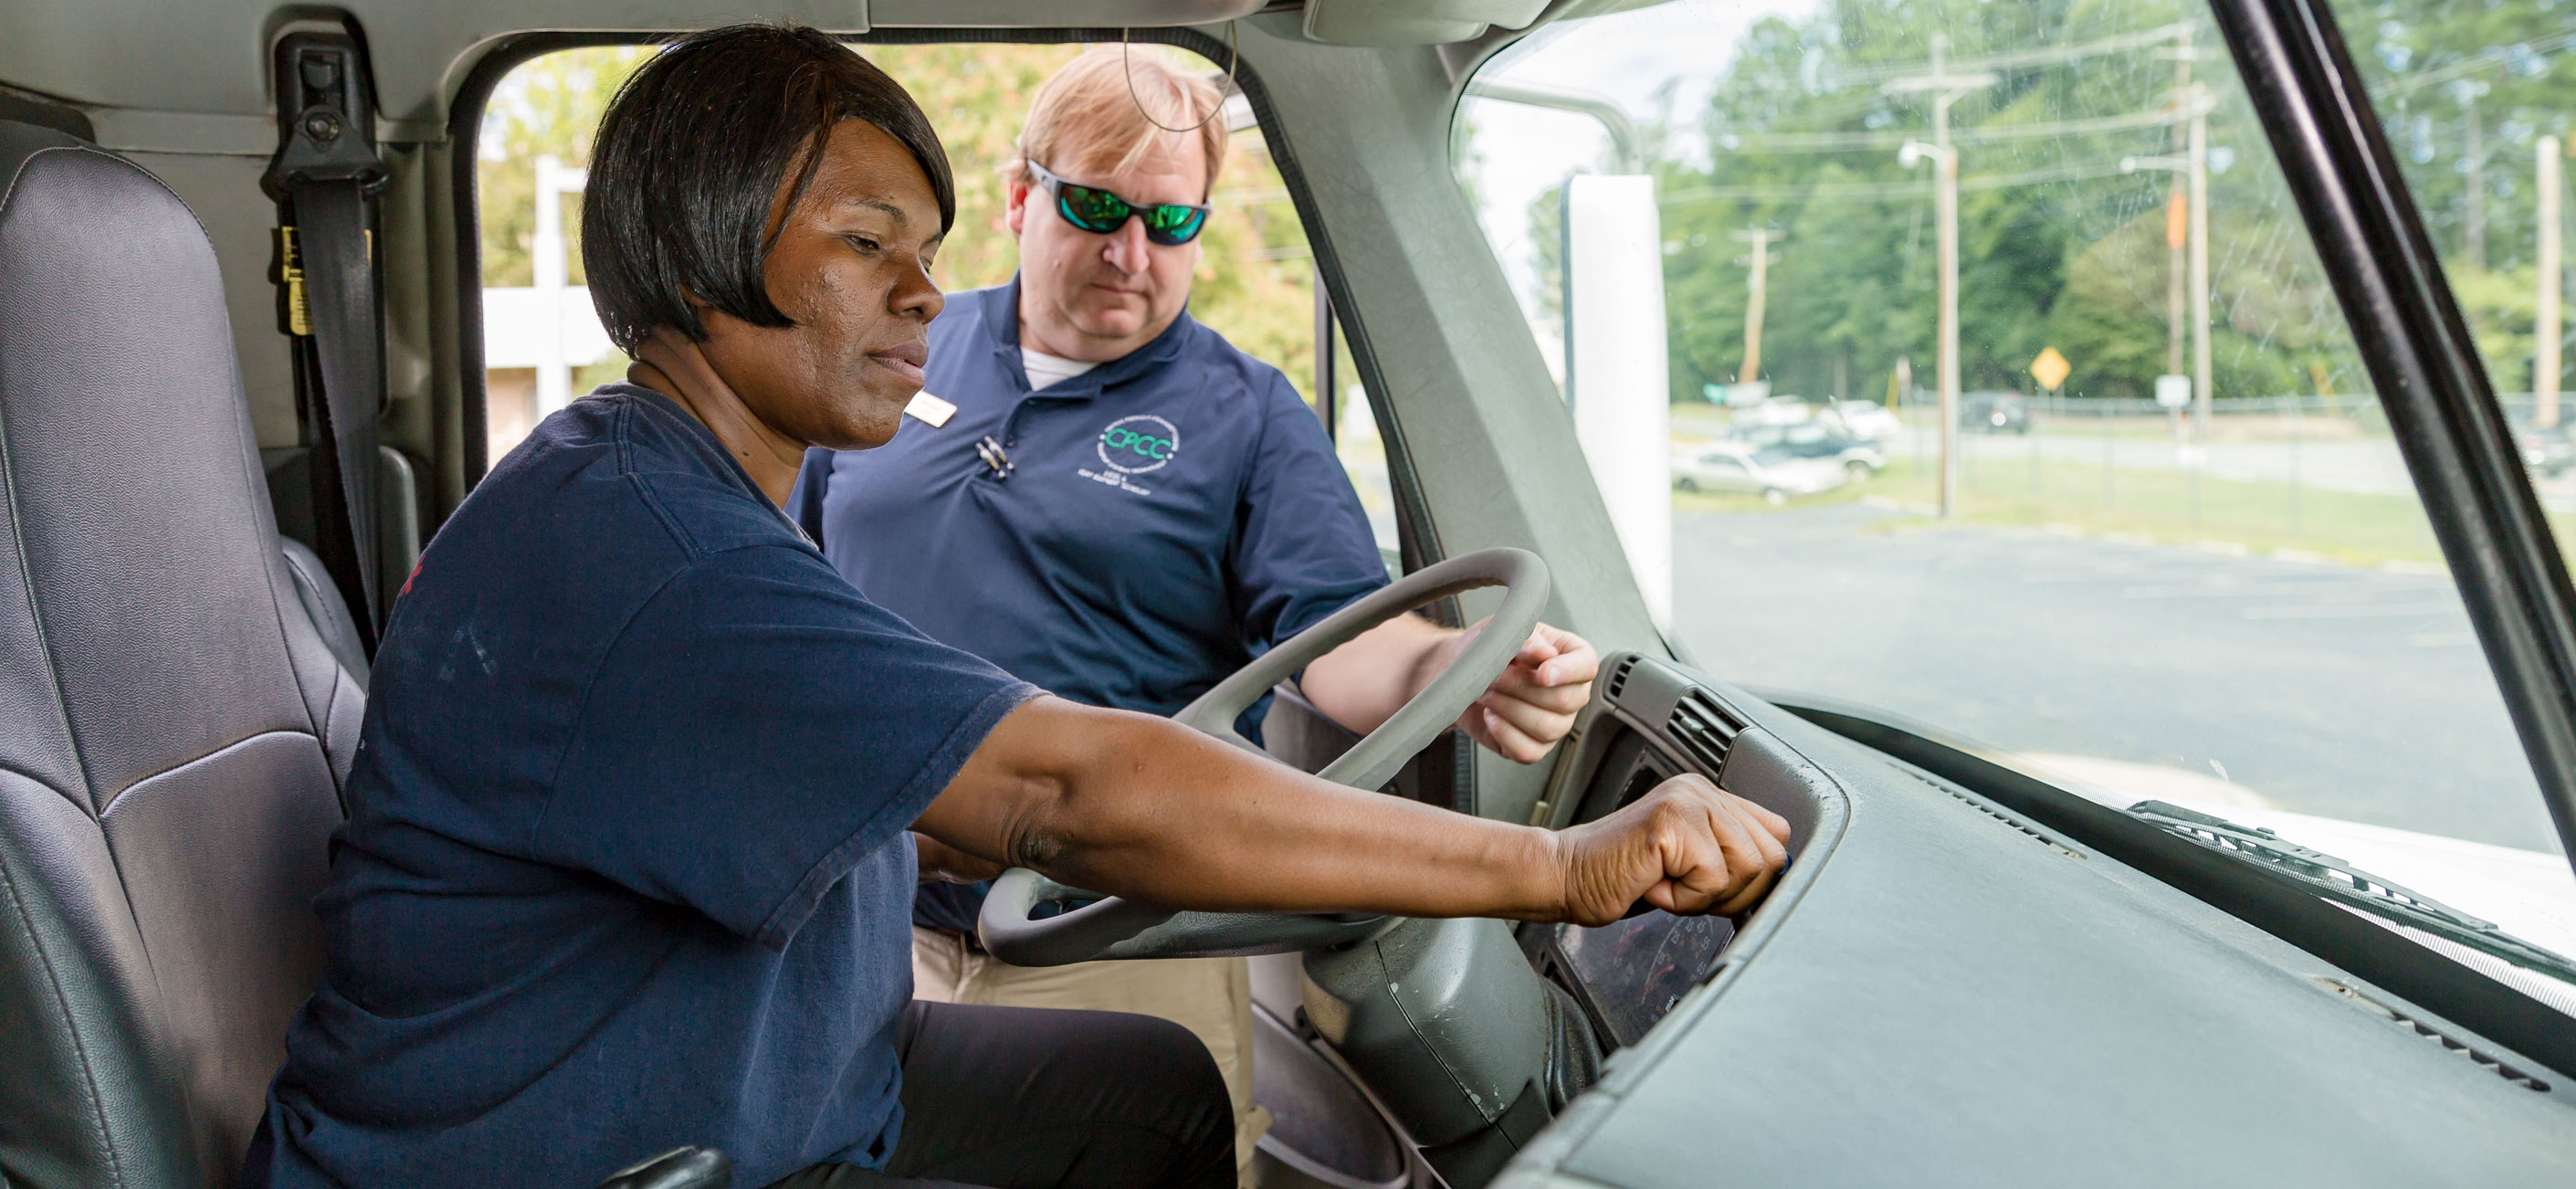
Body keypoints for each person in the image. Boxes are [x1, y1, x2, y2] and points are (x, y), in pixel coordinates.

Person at [245, 24, 1789, 1189]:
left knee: (1156, 1095)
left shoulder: (665, 478)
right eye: (865, 248)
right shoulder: (657, 541)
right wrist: (1558, 864)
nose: (920, 294)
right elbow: (1060, 780)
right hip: (608, 1146)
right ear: (702, 249)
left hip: (789, 1040)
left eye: (923, 256)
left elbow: (1318, 643)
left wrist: (1459, 671)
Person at [786, 51, 1599, 1183]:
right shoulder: (895, 348)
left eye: (1172, 222)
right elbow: (780, 574)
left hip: (1113, 931)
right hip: (860, 929)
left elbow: (1337, 635)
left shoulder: (1247, 414)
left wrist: (1457, 666)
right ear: (1023, 197)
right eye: (1097, 207)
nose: (1132, 252)